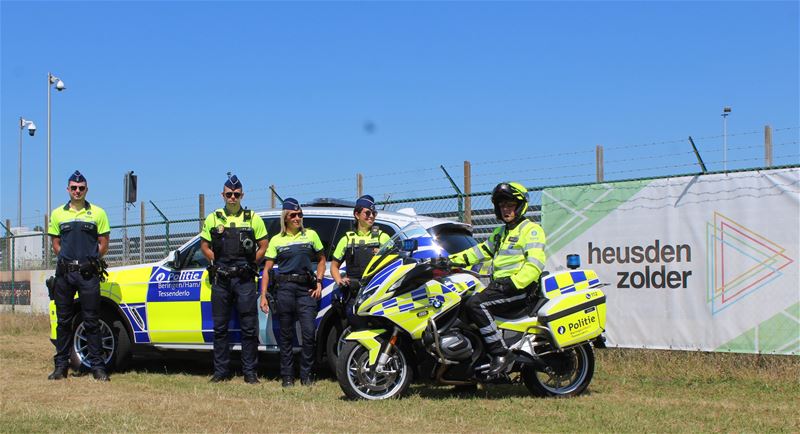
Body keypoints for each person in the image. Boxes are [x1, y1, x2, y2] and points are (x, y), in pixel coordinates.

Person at [450, 182, 546, 376]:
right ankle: (469, 368)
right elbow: (478, 252)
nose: (505, 209)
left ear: (520, 206)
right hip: (501, 287)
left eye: (510, 205)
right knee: (461, 303)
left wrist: (515, 283)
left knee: (476, 304)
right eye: (502, 206)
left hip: (521, 290)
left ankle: (501, 353)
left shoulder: (531, 230)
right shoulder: (500, 233)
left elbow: (535, 264)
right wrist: (448, 260)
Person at [200, 174, 268, 384]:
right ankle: (221, 372)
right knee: (220, 328)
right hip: (221, 280)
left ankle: (250, 373)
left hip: (244, 280)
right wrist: (216, 261)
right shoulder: (213, 218)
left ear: (242, 195)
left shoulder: (252, 218)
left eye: (236, 194)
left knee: (249, 327)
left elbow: (264, 245)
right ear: (222, 195)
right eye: (229, 194)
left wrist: (251, 263)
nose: (232, 198)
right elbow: (204, 246)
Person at [48, 170, 111, 381]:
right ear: (68, 189)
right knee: (63, 322)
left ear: (86, 189)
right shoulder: (57, 214)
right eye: (74, 188)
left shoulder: (98, 213)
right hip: (65, 275)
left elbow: (104, 243)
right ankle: (60, 367)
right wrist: (67, 260)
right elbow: (56, 243)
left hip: (88, 275)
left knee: (92, 321)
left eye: (81, 188)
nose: (77, 191)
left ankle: (98, 367)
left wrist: (91, 261)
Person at [259, 198, 325, 387]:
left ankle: (306, 375)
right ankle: (287, 376)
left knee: (309, 333)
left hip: (306, 290)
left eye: (300, 214)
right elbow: (267, 270)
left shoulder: (311, 235)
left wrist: (319, 282)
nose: (297, 218)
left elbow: (322, 259)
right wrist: (263, 295)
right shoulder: (276, 240)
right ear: (285, 218)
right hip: (284, 291)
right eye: (293, 215)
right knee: (286, 335)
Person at [330, 195, 390, 329]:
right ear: (357, 215)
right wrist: (339, 280)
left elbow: (394, 262)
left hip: (377, 292)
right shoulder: (346, 239)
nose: (371, 216)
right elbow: (334, 266)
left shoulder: (383, 237)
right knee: (357, 329)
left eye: (374, 213)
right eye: (367, 213)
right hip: (354, 293)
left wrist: (382, 255)